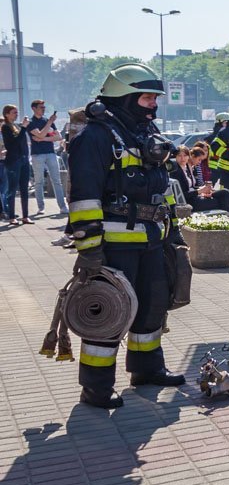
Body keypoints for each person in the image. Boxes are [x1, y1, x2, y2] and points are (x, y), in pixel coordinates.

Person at [67, 63, 187, 409]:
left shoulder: (142, 133)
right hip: (114, 247)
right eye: (148, 97)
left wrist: (172, 231)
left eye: (154, 98)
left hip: (152, 242)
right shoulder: (96, 136)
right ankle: (96, 389)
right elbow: (85, 197)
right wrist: (89, 250)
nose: (153, 104)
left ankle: (147, 370)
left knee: (151, 310)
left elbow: (162, 188)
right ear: (126, 96)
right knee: (107, 316)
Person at [28, 100, 67, 216]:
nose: (43, 109)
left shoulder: (46, 121)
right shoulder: (31, 122)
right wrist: (49, 122)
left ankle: (63, 206)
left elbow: (59, 137)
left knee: (57, 181)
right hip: (37, 154)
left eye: (44, 107)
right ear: (34, 108)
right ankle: (41, 207)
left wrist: (43, 139)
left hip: (50, 153)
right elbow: (39, 133)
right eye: (41, 107)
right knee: (39, 181)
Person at [170, 147, 229, 215]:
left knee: (225, 192)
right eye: (179, 156)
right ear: (175, 157)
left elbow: (193, 187)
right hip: (190, 202)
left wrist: (203, 191)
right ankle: (227, 219)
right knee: (221, 201)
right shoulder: (176, 171)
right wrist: (200, 191)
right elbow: (183, 195)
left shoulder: (186, 168)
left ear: (188, 156)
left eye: (185, 155)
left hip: (195, 197)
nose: (182, 158)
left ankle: (228, 218)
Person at [2, 104, 33, 225]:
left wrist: (23, 127)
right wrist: (24, 127)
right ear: (7, 114)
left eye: (17, 112)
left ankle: (25, 216)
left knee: (24, 188)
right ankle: (11, 216)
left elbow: (23, 142)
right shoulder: (5, 127)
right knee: (12, 189)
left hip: (23, 160)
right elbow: (13, 143)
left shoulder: (16, 126)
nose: (16, 114)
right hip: (13, 161)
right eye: (14, 112)